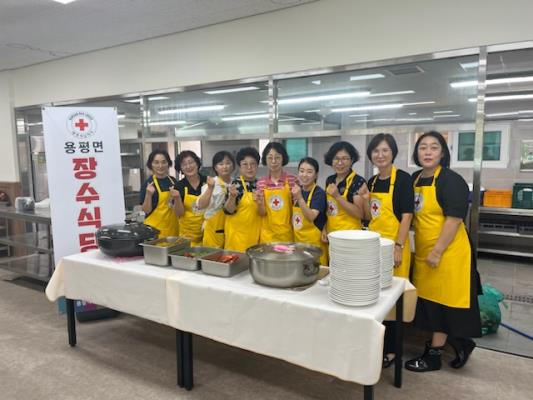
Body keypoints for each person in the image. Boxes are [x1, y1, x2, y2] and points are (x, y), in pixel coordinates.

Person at [405, 131, 481, 373]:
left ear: (443, 153)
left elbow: (454, 219)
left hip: (449, 252)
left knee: (444, 303)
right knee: (430, 302)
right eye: (423, 147)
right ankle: (461, 343)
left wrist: (437, 251)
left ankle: (434, 356)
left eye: (434, 147)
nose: (428, 152)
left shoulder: (451, 180)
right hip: (425, 250)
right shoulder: (415, 178)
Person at [362, 133, 414, 368]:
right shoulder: (372, 182)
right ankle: (377, 345)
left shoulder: (402, 179)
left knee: (394, 301)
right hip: (375, 247)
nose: (380, 155)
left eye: (385, 150)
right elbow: (368, 217)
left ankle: (392, 350)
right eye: (376, 151)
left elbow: (406, 216)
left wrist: (398, 247)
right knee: (377, 297)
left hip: (395, 247)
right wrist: (365, 199)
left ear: (393, 153)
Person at [322, 141, 367, 241]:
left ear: (352, 160)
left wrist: (338, 197)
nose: (340, 163)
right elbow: (328, 209)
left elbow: (360, 214)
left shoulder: (358, 181)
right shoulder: (330, 180)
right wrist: (324, 228)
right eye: (336, 158)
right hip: (332, 235)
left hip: (351, 237)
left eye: (345, 159)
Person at [256, 142, 297, 243]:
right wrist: (260, 204)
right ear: (265, 160)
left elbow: (297, 210)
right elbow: (262, 213)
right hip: (267, 236)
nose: (273, 161)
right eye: (270, 158)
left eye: (277, 157)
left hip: (287, 234)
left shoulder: (292, 180)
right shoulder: (261, 183)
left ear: (283, 159)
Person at [291, 157, 328, 266]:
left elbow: (311, 216)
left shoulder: (319, 193)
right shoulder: (297, 190)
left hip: (314, 247)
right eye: (301, 171)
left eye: (309, 172)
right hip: (298, 244)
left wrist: (299, 198)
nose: (304, 175)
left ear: (316, 175)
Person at [224, 147, 262, 252]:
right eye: (245, 164)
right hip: (237, 240)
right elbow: (228, 211)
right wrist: (232, 197)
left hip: (255, 237)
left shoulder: (260, 185)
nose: (249, 168)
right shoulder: (235, 185)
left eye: (253, 164)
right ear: (240, 167)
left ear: (257, 166)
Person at [196, 151, 235, 248]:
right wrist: (210, 188)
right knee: (213, 255)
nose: (225, 166)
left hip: (231, 229)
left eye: (228, 163)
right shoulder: (211, 183)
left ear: (233, 166)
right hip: (213, 229)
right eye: (221, 164)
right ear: (215, 167)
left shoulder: (236, 183)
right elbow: (200, 206)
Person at [139, 149, 180, 237]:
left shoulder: (173, 181)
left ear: (168, 164)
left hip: (173, 231)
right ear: (151, 164)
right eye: (156, 162)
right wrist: (148, 194)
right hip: (154, 233)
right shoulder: (148, 184)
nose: (160, 166)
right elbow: (146, 210)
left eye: (164, 162)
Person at [173, 150, 207, 246]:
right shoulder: (179, 186)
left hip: (207, 232)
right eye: (184, 164)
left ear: (197, 163)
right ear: (180, 168)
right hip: (187, 237)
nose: (188, 166)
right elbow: (179, 213)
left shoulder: (207, 181)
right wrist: (177, 198)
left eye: (191, 162)